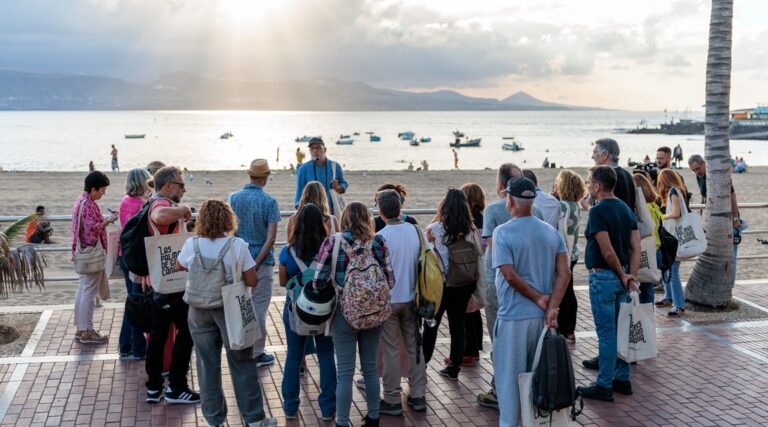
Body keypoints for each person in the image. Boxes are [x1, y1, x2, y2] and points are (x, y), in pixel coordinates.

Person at [176, 200, 277, 427]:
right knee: (242, 361)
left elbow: (179, 266)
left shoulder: (192, 244)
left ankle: (214, 419)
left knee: (206, 364)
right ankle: (253, 419)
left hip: (198, 308)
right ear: (228, 219)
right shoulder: (237, 245)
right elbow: (252, 279)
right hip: (230, 309)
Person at [491, 176, 570, 426]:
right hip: (543, 319)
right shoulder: (550, 232)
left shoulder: (502, 232)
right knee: (540, 377)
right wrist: (552, 307)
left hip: (513, 317)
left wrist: (538, 298)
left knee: (509, 381)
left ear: (510, 200)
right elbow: (565, 272)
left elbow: (509, 274)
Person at [313, 202, 394, 427]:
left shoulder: (333, 241)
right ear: (368, 218)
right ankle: (374, 417)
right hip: (373, 314)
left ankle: (341, 421)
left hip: (343, 314)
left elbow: (317, 281)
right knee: (369, 369)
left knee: (345, 373)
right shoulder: (378, 241)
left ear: (345, 218)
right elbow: (389, 280)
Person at [576, 166, 641, 402]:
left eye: (588, 182)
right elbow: (636, 247)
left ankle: (604, 384)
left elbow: (607, 249)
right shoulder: (625, 208)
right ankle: (622, 379)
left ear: (596, 186)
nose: (587, 186)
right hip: (622, 276)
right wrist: (630, 276)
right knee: (622, 329)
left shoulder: (598, 211)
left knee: (606, 333)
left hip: (603, 277)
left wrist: (624, 276)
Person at [143, 166, 198, 404]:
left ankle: (154, 388)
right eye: (180, 184)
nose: (184, 189)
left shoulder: (151, 201)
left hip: (156, 281)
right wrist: (184, 209)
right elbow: (158, 217)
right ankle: (177, 387)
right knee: (187, 332)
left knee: (158, 335)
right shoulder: (157, 204)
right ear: (167, 186)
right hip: (171, 284)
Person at [278, 204, 336, 421]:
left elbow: (283, 282)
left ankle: (291, 406)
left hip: (296, 310)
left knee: (294, 356)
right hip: (325, 309)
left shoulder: (287, 251)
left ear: (297, 224)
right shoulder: (329, 248)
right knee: (327, 355)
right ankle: (328, 408)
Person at [375, 190, 428, 416]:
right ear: (400, 207)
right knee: (415, 347)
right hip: (413, 298)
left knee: (391, 350)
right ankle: (418, 395)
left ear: (381, 211)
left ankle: (392, 398)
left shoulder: (380, 237)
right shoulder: (416, 231)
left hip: (389, 301)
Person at [476, 163, 523, 409]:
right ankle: (519, 385)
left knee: (499, 335)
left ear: (501, 185)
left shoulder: (494, 210)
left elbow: (495, 250)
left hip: (499, 282)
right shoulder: (531, 210)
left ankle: (500, 389)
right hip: (524, 282)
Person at [422, 189, 482, 381]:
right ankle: (454, 366)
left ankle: (422, 364)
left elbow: (422, 246)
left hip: (441, 285)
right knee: (458, 325)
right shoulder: (470, 228)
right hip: (464, 282)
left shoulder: (437, 228)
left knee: (431, 324)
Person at [228, 159, 281, 368]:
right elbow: (271, 237)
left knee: (239, 304)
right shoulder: (270, 202)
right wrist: (257, 262)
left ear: (249, 176)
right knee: (259, 307)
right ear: (265, 178)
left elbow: (229, 232)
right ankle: (257, 352)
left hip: (238, 259)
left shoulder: (232, 198)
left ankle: (240, 345)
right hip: (263, 260)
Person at [71, 171, 117, 344]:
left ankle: (81, 329)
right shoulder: (88, 204)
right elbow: (92, 229)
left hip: (82, 253)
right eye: (102, 189)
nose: (103, 193)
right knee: (88, 293)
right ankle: (87, 331)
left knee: (83, 290)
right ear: (93, 189)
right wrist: (109, 219)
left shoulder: (80, 201)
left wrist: (104, 220)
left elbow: (86, 226)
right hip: (91, 254)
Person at [688, 154, 742, 282]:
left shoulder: (718, 174)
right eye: (693, 170)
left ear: (704, 163)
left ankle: (730, 285)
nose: (696, 172)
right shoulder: (699, 176)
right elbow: (705, 197)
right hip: (712, 219)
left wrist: (735, 218)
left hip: (728, 219)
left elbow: (732, 196)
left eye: (697, 168)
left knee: (730, 256)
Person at [117, 168, 151, 360]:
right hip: (136, 258)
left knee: (132, 300)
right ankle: (138, 348)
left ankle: (126, 345)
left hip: (124, 255)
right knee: (138, 302)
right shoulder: (140, 204)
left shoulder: (125, 201)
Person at [552, 169, 587, 341]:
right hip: (572, 252)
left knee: (562, 291)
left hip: (563, 253)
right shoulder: (575, 205)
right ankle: (570, 329)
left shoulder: (561, 206)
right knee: (569, 290)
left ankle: (564, 327)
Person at [655, 169, 689, 316]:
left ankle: (679, 306)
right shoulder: (678, 191)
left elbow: (676, 213)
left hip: (674, 239)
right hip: (671, 238)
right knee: (667, 269)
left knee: (673, 272)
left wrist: (662, 216)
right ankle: (670, 299)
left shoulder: (674, 192)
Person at [460, 183, 486, 365]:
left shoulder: (467, 223)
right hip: (481, 268)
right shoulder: (484, 219)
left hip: (469, 268)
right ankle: (475, 348)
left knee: (467, 311)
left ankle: (468, 352)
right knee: (474, 310)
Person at [631, 173, 663, 304]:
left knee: (641, 289)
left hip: (645, 251)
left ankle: (643, 319)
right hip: (657, 248)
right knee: (648, 287)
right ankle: (648, 319)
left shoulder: (644, 210)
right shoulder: (654, 206)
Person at [294, 137, 348, 211]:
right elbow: (299, 193)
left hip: (332, 211)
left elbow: (344, 184)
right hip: (311, 213)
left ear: (325, 149)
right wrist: (300, 210)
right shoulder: (303, 169)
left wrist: (338, 187)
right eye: (312, 149)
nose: (315, 151)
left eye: (318, 148)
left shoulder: (335, 166)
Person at [587, 138, 635, 213]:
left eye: (595, 152)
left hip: (612, 223)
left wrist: (589, 206)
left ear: (605, 155)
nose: (592, 157)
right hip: (627, 221)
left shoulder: (606, 176)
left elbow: (604, 209)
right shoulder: (626, 174)